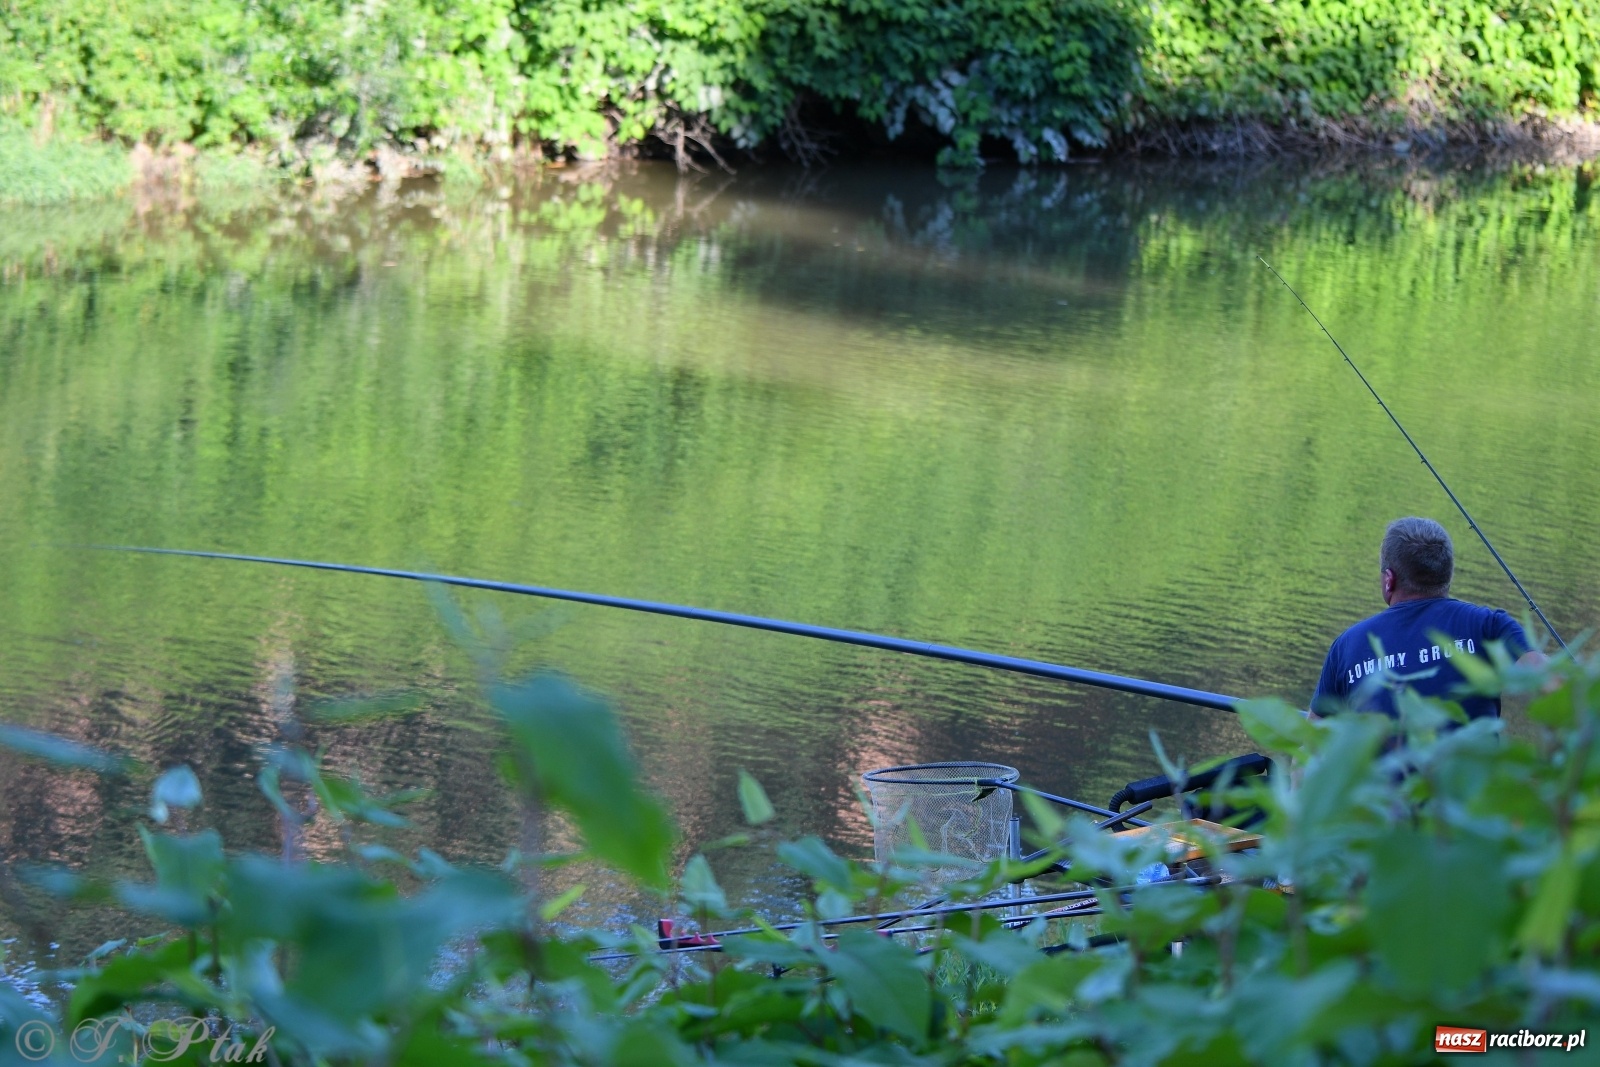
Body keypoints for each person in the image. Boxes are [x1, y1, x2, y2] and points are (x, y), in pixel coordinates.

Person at [1312, 517, 1546, 720]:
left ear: (1389, 580)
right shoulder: (1490, 626)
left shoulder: (1346, 646)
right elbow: (1554, 681)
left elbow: (1310, 749)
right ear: (1447, 574)